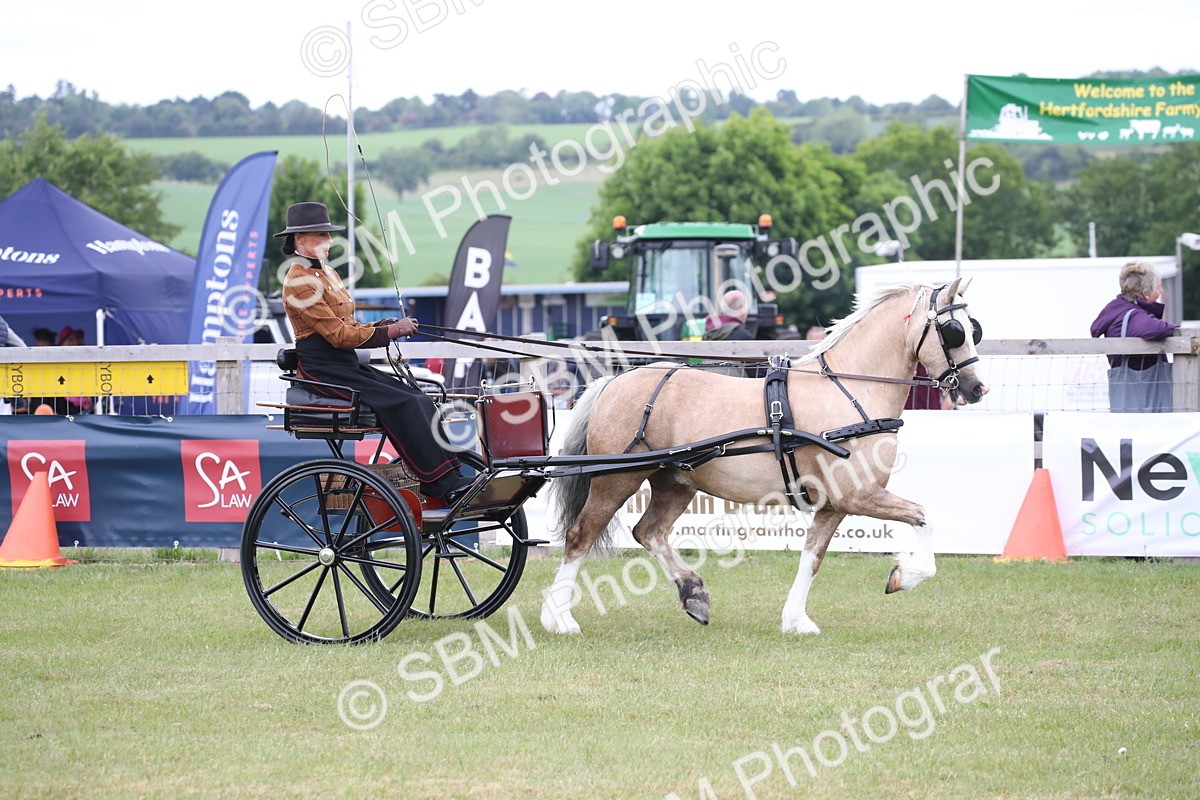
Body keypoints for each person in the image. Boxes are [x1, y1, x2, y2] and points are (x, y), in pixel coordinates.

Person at [276, 202, 472, 501]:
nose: (329, 242)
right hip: (324, 368)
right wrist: (391, 332)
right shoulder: (298, 283)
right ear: (300, 239)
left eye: (329, 236)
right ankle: (438, 483)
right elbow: (338, 335)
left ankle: (451, 475)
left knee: (418, 397)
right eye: (321, 236)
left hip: (346, 363)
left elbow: (350, 323)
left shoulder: (328, 274)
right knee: (403, 402)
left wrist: (386, 324)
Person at [1091, 260, 1177, 412]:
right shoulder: (1134, 315)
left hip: (1126, 400)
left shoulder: (1116, 309)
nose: (1161, 291)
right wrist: (1177, 330)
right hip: (1145, 405)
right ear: (1145, 293)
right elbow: (1152, 328)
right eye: (1158, 287)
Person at [702, 289, 766, 378]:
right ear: (742, 308)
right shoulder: (742, 337)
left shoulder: (709, 333)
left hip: (711, 386)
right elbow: (758, 373)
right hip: (737, 389)